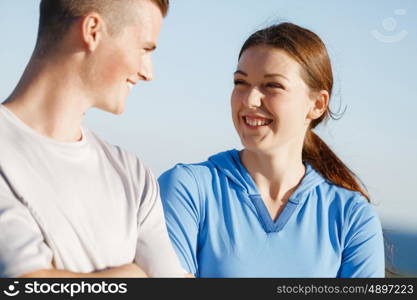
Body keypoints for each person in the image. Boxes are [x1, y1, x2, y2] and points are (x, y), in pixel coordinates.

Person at [159, 22, 385, 278]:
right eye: (240, 82)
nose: (249, 100)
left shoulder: (352, 216)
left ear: (318, 104)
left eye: (272, 86)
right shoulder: (188, 189)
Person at [0, 0, 186, 278]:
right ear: (92, 31)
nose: (149, 72)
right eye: (145, 49)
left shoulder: (133, 174)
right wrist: (131, 275)